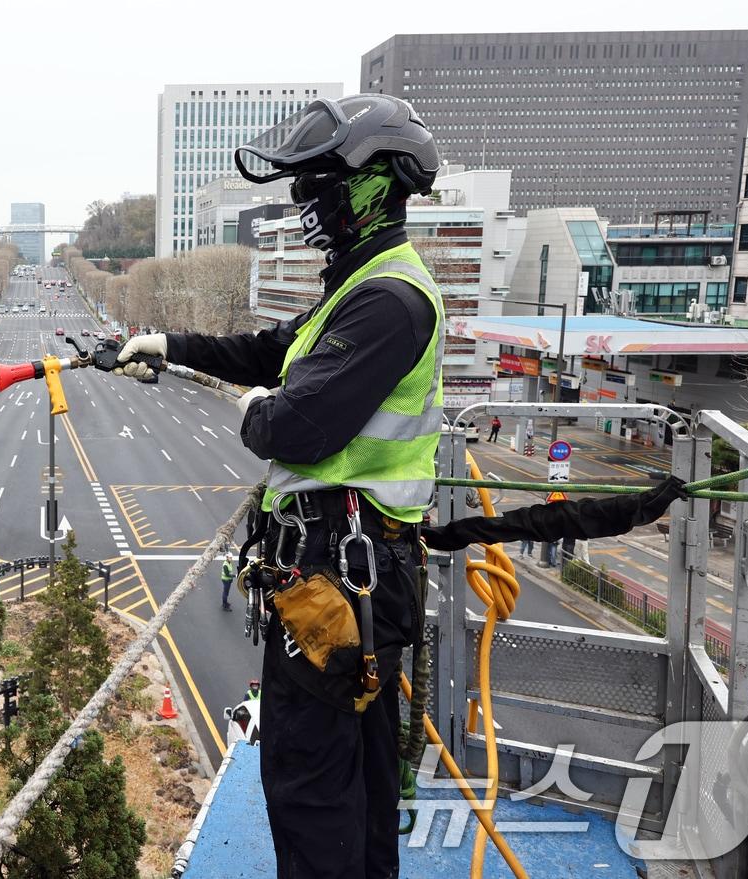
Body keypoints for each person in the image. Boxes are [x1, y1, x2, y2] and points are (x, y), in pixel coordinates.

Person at [117, 93, 441, 879]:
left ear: (369, 187)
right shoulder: (360, 285)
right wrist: (171, 342)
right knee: (354, 777)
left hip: (340, 580)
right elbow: (272, 350)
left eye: (318, 184)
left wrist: (262, 412)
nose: (305, 203)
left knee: (311, 781)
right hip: (349, 573)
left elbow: (292, 425)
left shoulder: (388, 301)